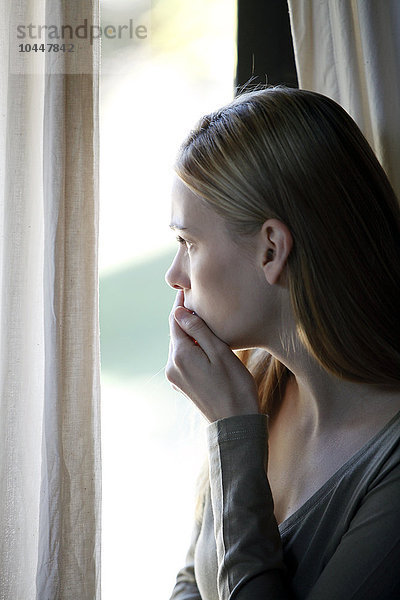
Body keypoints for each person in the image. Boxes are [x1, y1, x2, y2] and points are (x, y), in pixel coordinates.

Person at [164, 87, 400, 600]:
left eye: (189, 243)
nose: (174, 274)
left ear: (272, 248)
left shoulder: (390, 464)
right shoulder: (255, 379)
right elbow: (193, 579)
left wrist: (233, 433)